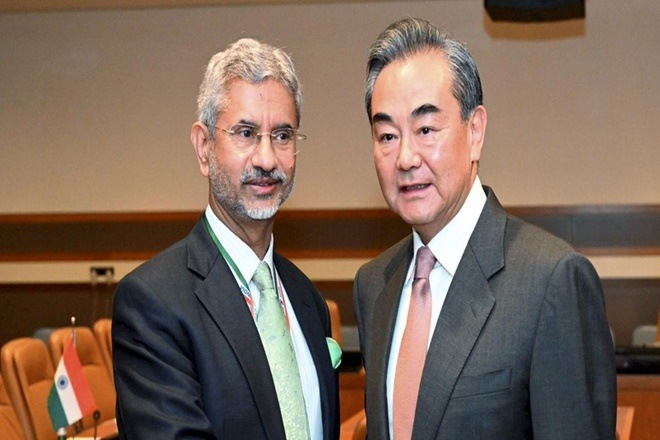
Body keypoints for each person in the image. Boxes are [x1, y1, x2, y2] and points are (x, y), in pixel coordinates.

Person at [353, 17, 616, 440]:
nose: (405, 158)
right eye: (387, 136)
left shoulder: (551, 280)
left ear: (474, 132)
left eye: (425, 129)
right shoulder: (373, 285)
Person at [112, 38, 339, 439]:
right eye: (246, 133)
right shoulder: (153, 304)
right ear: (204, 148)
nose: (266, 159)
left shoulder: (307, 301)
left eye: (282, 135)